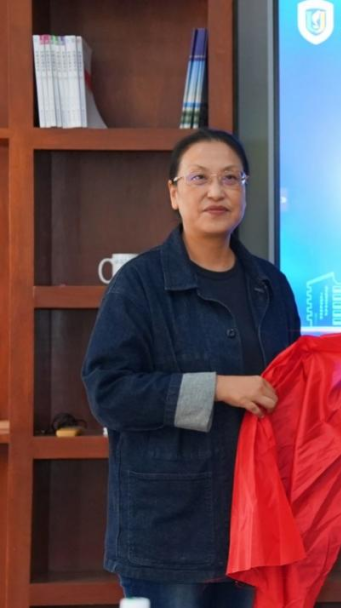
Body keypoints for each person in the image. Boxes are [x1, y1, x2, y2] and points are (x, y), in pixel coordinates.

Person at [82, 129, 301, 607]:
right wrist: (217, 388)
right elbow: (108, 393)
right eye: (199, 178)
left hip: (254, 524)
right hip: (166, 532)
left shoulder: (271, 285)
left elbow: (293, 388)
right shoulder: (139, 284)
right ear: (173, 193)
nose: (216, 191)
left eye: (231, 178)